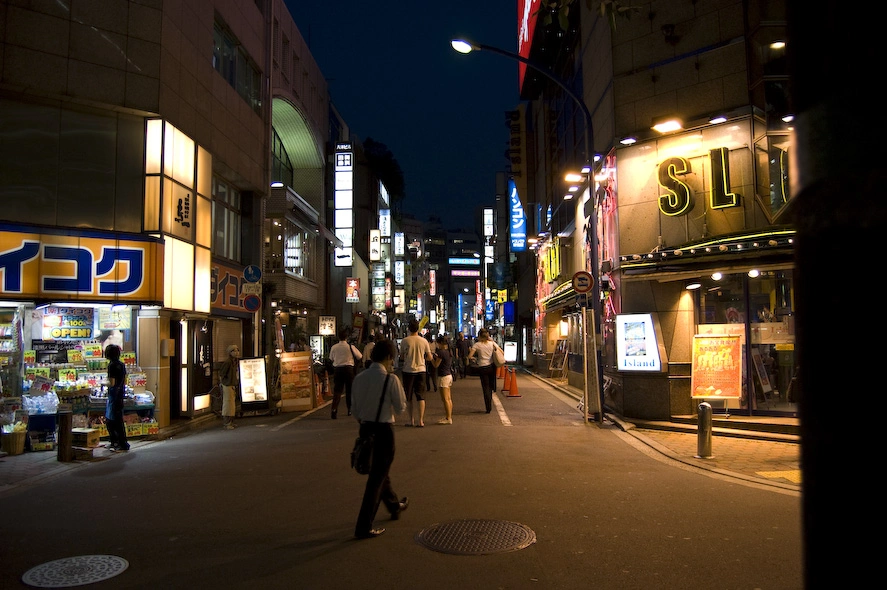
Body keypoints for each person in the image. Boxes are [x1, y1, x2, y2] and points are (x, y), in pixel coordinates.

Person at [351, 338, 409, 539]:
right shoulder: (390, 380)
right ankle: (363, 526)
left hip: (365, 429)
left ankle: (394, 505)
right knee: (377, 478)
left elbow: (354, 409)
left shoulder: (359, 378)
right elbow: (401, 408)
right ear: (389, 357)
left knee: (379, 472)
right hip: (384, 431)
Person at [399, 319, 433, 427]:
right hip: (421, 370)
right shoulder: (424, 341)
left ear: (408, 329)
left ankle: (411, 420)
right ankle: (421, 420)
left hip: (408, 370)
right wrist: (422, 359)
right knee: (421, 396)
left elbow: (402, 357)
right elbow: (430, 357)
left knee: (408, 397)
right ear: (418, 329)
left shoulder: (405, 341)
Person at [328, 328, 362, 419]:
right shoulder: (350, 347)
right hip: (348, 369)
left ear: (338, 337)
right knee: (349, 390)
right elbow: (359, 356)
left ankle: (334, 409)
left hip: (338, 370)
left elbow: (331, 358)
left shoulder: (334, 347)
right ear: (347, 337)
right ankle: (349, 409)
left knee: (337, 391)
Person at [466, 329, 501, 414]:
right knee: (490, 386)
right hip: (491, 367)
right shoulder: (492, 343)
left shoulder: (477, 345)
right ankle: (491, 396)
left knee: (485, 387)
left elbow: (469, 356)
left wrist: (475, 358)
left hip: (482, 367)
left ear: (479, 336)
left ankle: (488, 407)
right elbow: (501, 352)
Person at [104, 344, 129, 451]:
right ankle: (121, 442)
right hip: (120, 395)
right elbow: (124, 380)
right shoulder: (121, 365)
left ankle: (118, 443)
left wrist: (103, 383)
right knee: (118, 420)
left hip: (114, 396)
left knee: (110, 420)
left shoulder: (111, 365)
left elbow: (112, 383)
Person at [432, 335, 454, 424]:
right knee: (448, 398)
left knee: (445, 399)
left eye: (437, 343)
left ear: (441, 343)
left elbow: (436, 365)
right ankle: (449, 417)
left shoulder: (441, 352)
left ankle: (448, 418)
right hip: (449, 375)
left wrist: (431, 359)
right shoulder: (449, 351)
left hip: (443, 377)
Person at [218, 344, 240, 429]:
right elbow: (222, 374)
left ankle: (230, 422)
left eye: (237, 350)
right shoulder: (228, 362)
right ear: (230, 353)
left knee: (231, 405)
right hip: (227, 385)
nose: (236, 352)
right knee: (227, 405)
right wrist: (223, 383)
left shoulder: (234, 362)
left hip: (231, 385)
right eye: (234, 351)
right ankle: (227, 423)